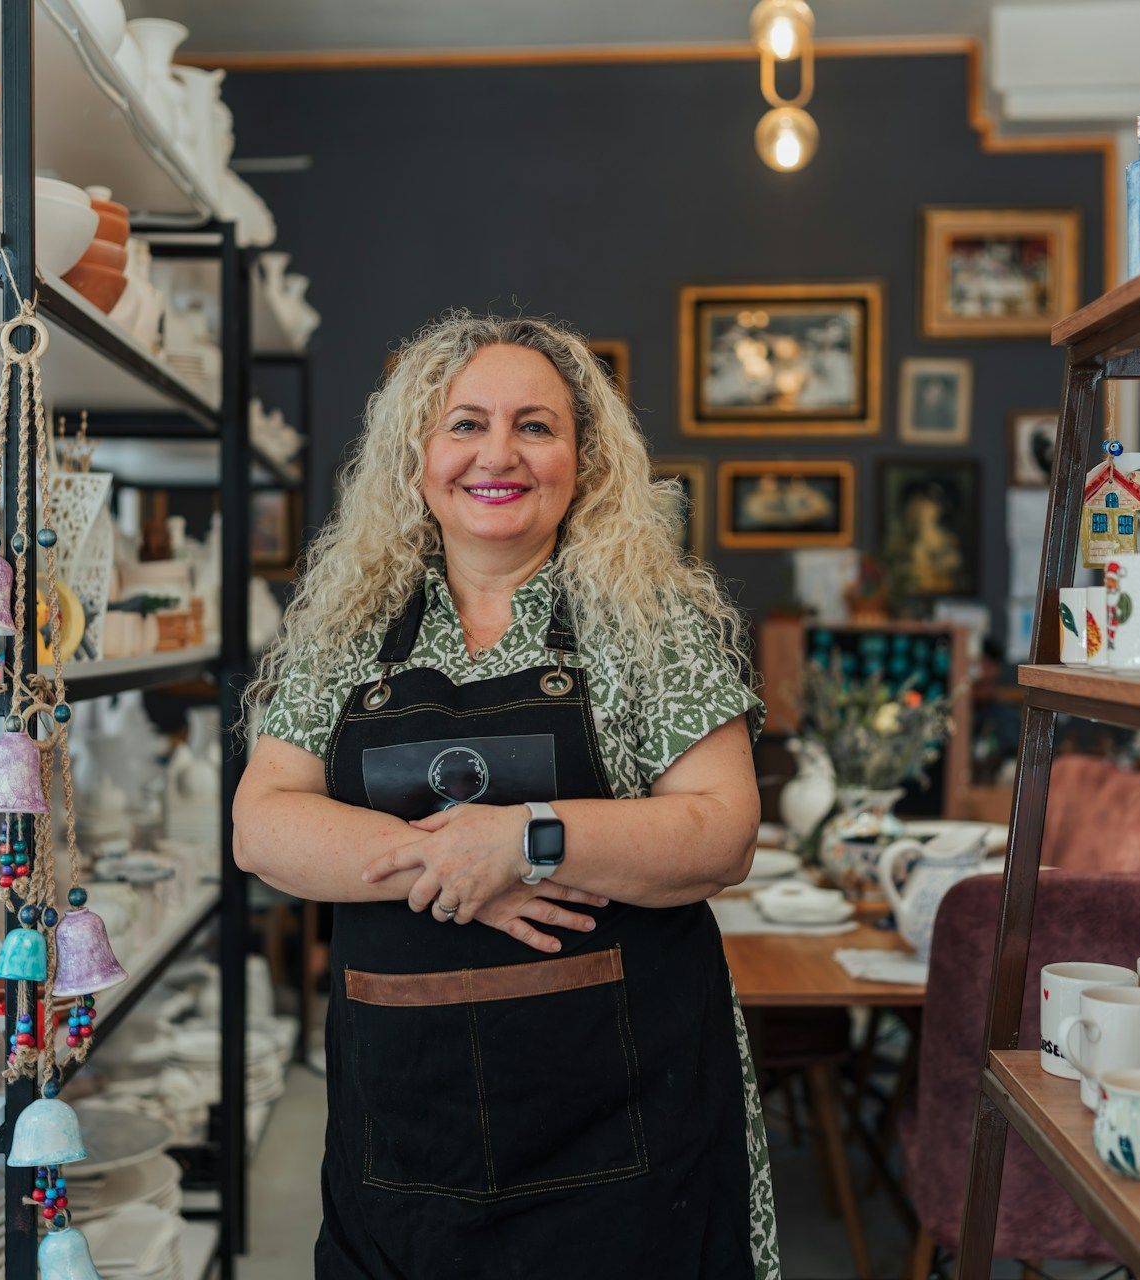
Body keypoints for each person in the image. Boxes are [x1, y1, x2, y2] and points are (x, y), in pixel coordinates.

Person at [235, 313, 779, 1279]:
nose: (500, 454)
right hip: (407, 1137)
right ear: (416, 458)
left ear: (585, 458)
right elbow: (263, 822)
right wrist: (460, 859)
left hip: (631, 1132)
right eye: (465, 425)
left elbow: (721, 831)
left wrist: (529, 836)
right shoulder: (344, 628)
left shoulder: (655, 620)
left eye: (536, 426)